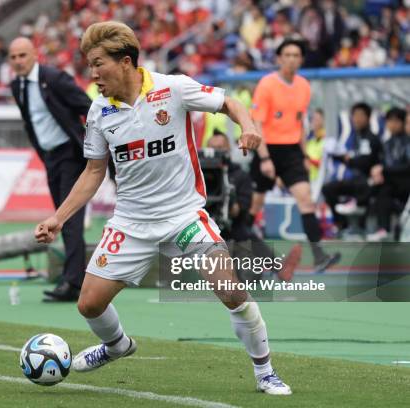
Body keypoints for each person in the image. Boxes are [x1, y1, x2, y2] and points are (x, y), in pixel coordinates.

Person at [35, 21, 292, 395]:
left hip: (184, 216)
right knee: (88, 305)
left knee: (231, 290)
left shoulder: (173, 88)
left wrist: (248, 126)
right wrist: (58, 218)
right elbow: (94, 171)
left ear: (125, 62)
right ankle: (117, 345)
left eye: (97, 64)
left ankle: (265, 372)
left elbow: (230, 103)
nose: (92, 75)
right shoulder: (99, 112)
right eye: (89, 65)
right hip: (131, 222)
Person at [9, 37, 92, 302]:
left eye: (23, 55)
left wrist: (94, 143)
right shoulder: (17, 85)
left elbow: (87, 107)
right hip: (51, 157)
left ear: (35, 54)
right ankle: (73, 279)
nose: (18, 61)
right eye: (14, 57)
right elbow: (29, 121)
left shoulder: (54, 78)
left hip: (70, 153)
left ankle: (74, 283)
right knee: (61, 220)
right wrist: (43, 154)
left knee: (66, 219)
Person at [249, 38, 339, 272]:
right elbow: (257, 124)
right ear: (279, 59)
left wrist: (304, 155)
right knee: (253, 207)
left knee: (306, 200)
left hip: (291, 153)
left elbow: (299, 124)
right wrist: (265, 158)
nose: (291, 59)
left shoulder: (304, 86)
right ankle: (242, 252)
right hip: (267, 149)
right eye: (287, 54)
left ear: (301, 59)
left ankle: (319, 256)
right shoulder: (266, 85)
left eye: (296, 55)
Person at [207, 131, 301, 283]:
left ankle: (279, 269)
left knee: (246, 237)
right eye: (213, 148)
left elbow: (242, 209)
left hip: (232, 231)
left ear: (229, 149)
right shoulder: (197, 174)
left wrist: (228, 202)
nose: (218, 152)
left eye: (221, 147)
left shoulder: (239, 175)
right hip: (203, 230)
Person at [322, 103, 381, 233]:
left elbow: (365, 162)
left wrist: (347, 159)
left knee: (362, 184)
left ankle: (360, 223)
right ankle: (341, 223)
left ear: (368, 117)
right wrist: (337, 155)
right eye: (354, 115)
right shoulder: (355, 138)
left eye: (360, 115)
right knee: (328, 188)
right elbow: (351, 161)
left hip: (368, 182)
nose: (357, 119)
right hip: (355, 181)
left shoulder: (371, 138)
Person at [366, 108, 410, 241]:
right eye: (407, 123)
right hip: (393, 186)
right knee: (380, 187)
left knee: (381, 186)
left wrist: (383, 171)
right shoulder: (387, 144)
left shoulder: (406, 143)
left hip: (402, 184)